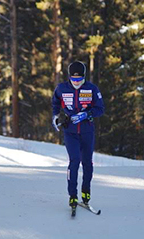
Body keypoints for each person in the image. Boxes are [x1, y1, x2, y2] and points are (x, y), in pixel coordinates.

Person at [51, 61, 104, 210]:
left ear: (84, 77)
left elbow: (100, 109)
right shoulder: (61, 88)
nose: (76, 82)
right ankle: (72, 196)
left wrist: (86, 114)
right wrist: (55, 116)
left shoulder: (92, 89)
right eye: (74, 80)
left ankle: (86, 195)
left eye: (79, 80)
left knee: (87, 163)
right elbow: (55, 103)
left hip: (87, 131)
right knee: (74, 161)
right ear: (69, 78)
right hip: (70, 132)